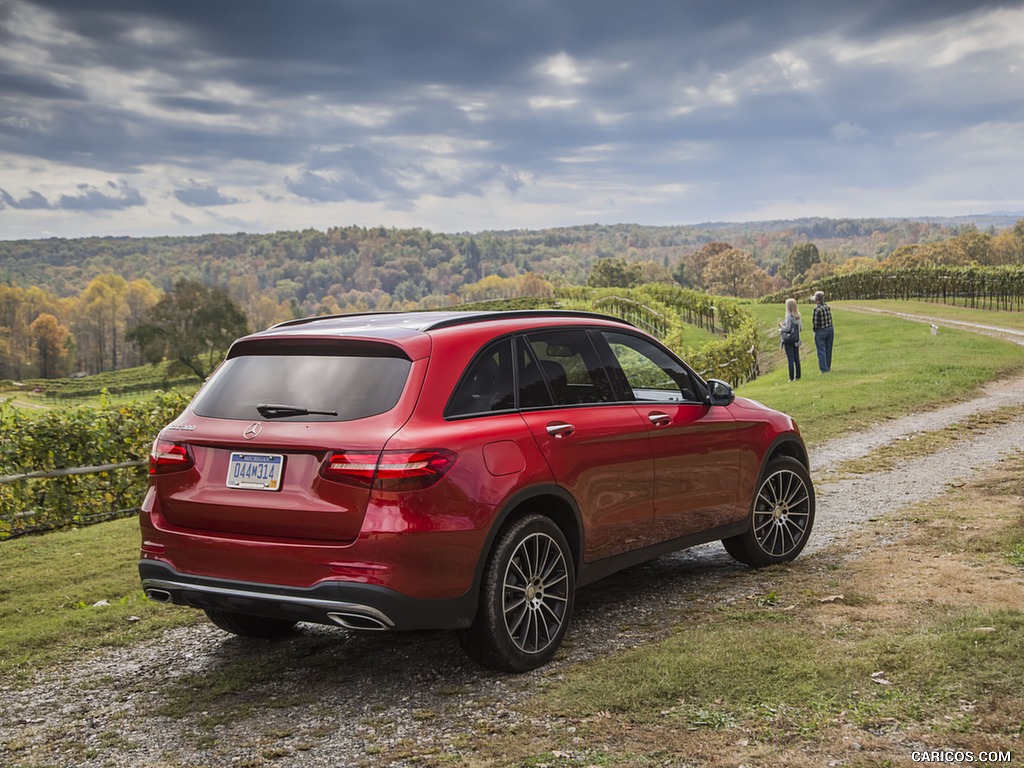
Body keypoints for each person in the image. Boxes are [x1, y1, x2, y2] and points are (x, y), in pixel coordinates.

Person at [778, 297, 802, 382]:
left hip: (789, 340)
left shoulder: (788, 316)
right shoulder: (798, 315)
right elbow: (800, 328)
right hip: (796, 339)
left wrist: (781, 327)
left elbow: (787, 329)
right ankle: (798, 375)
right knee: (797, 358)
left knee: (790, 359)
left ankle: (791, 377)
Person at [812, 290, 834, 373]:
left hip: (821, 330)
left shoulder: (817, 309)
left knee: (821, 350)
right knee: (828, 349)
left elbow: (815, 323)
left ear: (816, 299)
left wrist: (815, 330)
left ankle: (824, 369)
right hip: (830, 328)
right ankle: (828, 366)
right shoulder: (827, 307)